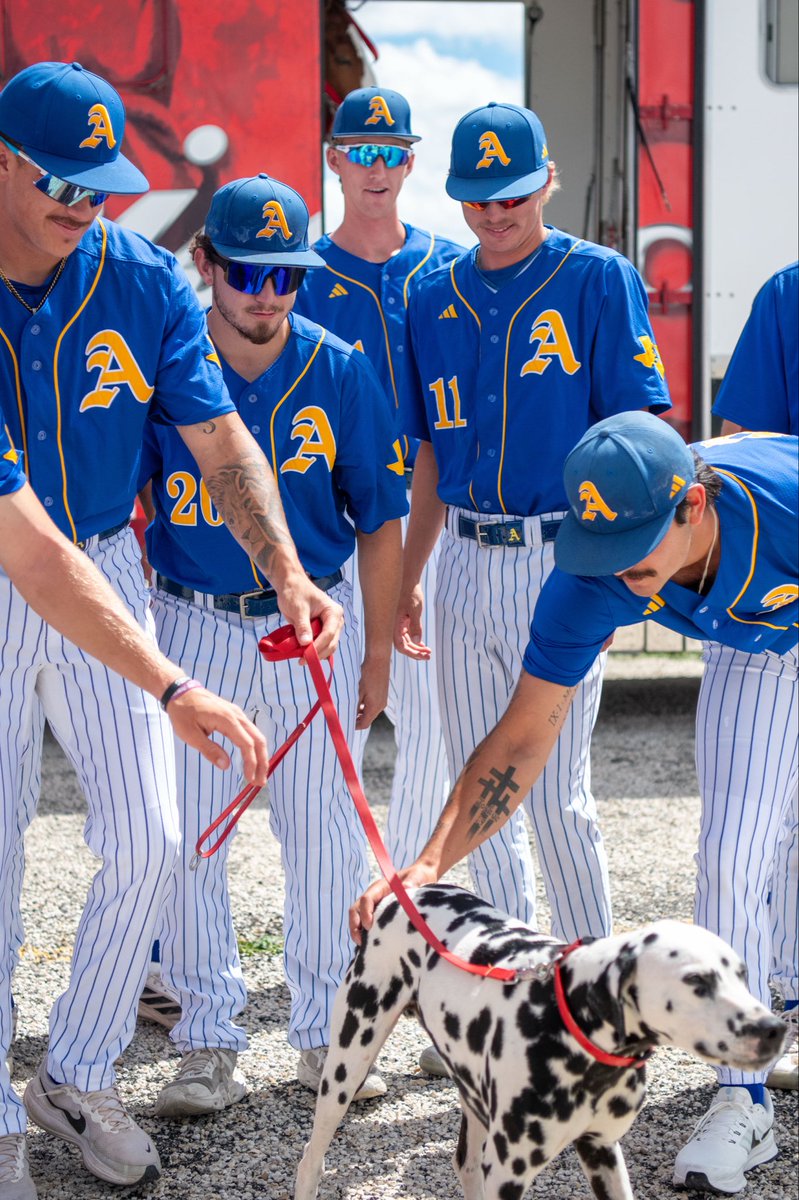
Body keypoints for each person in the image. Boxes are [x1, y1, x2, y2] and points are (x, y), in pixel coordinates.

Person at [0, 61, 341, 1197]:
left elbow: (219, 440)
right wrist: (173, 683)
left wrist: (282, 565)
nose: (81, 202)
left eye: (101, 184)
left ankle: (78, 1071)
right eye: (58, 177)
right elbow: (26, 552)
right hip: (13, 561)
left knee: (151, 838)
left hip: (99, 552)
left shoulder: (140, 276)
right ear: (0, 159)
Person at [354, 412, 798, 1197]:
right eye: (601, 550)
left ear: (692, 507)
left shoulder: (784, 507)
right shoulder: (594, 573)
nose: (616, 571)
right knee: (733, 851)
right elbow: (522, 740)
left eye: (631, 551)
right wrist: (423, 868)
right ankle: (743, 1101)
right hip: (756, 642)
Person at [393, 101, 670, 1071]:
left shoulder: (597, 280)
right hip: (466, 552)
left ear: (546, 180)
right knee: (481, 789)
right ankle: (510, 1003)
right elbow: (427, 450)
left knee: (556, 797)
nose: (493, 211)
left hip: (566, 554)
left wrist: (626, 564)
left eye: (511, 191)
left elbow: (641, 439)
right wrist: (410, 573)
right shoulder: (430, 297)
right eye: (475, 195)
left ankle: (602, 1010)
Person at [138, 173, 407, 1115]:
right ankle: (208, 1040)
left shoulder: (338, 368)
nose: (265, 292)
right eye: (245, 269)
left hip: (310, 628)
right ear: (207, 264)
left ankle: (324, 1037)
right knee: (187, 848)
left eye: (284, 274)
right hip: (191, 619)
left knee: (326, 848)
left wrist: (375, 654)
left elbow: (379, 518)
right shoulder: (168, 366)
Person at [294, 86, 464, 869]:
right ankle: (345, 928)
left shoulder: (448, 269)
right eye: (360, 151)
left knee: (436, 744)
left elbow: (454, 425)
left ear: (410, 161)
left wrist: (416, 565)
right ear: (333, 158)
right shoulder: (300, 276)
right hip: (340, 532)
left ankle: (418, 921)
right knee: (338, 753)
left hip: (436, 528)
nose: (376, 168)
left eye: (391, 152)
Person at [712, 260, 799, 1094]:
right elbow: (744, 446)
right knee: (737, 846)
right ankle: (738, 1088)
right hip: (770, 583)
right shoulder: (789, 292)